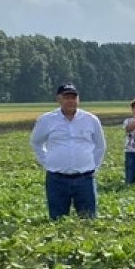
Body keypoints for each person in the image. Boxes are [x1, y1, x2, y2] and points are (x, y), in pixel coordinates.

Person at [30, 83, 106, 220]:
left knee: (88, 220)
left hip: (85, 178)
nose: (70, 101)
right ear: (59, 99)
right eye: (66, 97)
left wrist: (94, 166)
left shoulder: (91, 120)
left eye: (73, 97)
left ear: (78, 99)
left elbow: (100, 146)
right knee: (57, 219)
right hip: (57, 179)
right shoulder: (46, 120)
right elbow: (36, 142)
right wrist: (46, 161)